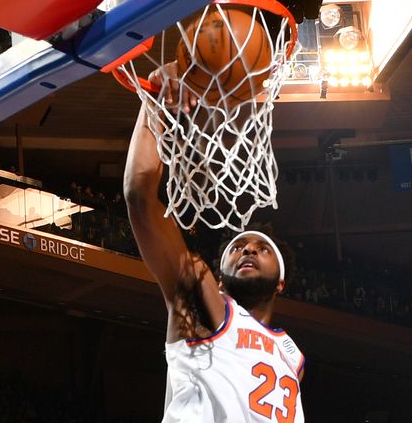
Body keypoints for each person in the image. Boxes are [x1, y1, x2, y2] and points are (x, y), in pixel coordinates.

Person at [123, 62, 305, 422]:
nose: (248, 250)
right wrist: (155, 104)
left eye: (261, 248)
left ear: (281, 281)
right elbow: (139, 197)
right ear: (218, 279)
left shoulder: (292, 354)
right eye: (237, 247)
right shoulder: (205, 302)